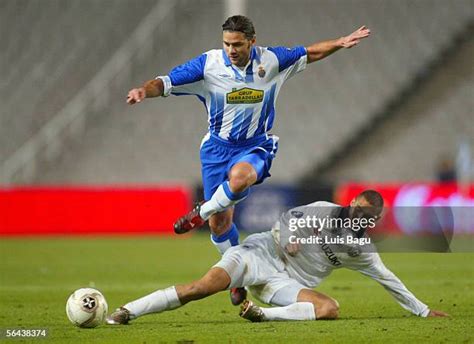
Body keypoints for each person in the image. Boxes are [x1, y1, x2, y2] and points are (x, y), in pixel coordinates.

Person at [126, 14, 371, 304]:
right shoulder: (208, 65)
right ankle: (236, 278)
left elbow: (311, 51)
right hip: (216, 150)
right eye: (227, 44)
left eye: (238, 44)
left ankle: (201, 212)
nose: (232, 49)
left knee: (240, 179)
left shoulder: (272, 61)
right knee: (220, 224)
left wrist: (340, 43)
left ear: (252, 41)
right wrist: (144, 90)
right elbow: (164, 82)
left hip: (256, 146)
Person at [106, 190, 448, 324]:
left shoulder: (361, 251)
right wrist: (288, 237)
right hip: (260, 254)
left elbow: (388, 279)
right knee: (201, 288)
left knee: (329, 308)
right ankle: (128, 311)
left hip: (284, 285)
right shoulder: (323, 211)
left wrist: (421, 310)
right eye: (356, 210)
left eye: (366, 218)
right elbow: (287, 222)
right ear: (352, 203)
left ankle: (263, 315)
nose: (357, 218)